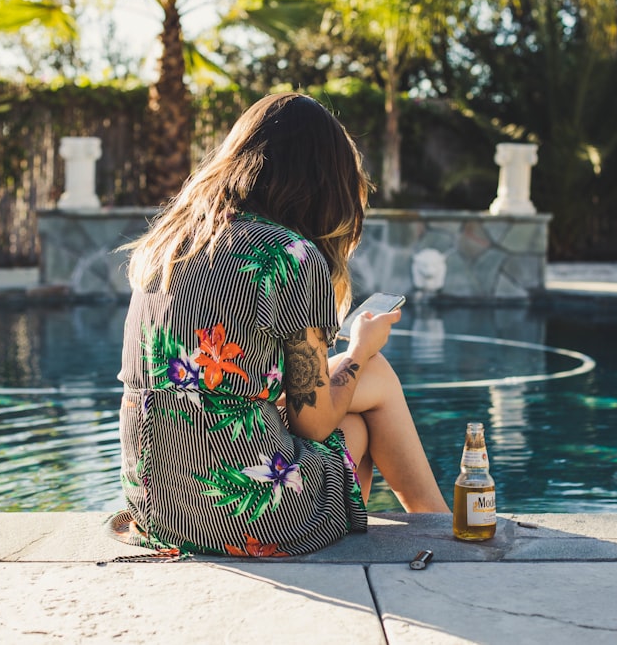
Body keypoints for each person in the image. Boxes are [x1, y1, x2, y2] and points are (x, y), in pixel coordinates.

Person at [108, 92, 448, 559]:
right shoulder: (289, 255)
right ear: (322, 180)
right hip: (245, 520)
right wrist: (361, 350)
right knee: (367, 391)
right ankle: (439, 524)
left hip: (157, 509)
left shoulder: (167, 244)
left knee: (353, 399)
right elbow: (314, 424)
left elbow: (213, 388)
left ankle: (436, 519)